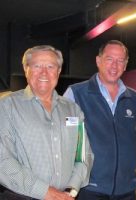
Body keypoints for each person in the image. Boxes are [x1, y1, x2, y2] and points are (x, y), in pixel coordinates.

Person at [0, 45, 93, 200]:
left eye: (50, 66)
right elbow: (2, 159)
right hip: (21, 196)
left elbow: (83, 154)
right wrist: (44, 191)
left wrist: (71, 189)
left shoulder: (73, 110)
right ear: (26, 69)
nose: (44, 72)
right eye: (37, 66)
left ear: (58, 71)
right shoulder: (7, 106)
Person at [63, 40, 136, 200]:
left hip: (126, 190)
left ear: (125, 65)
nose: (114, 65)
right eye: (109, 59)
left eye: (120, 61)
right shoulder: (76, 94)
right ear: (98, 61)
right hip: (89, 189)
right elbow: (64, 139)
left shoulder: (135, 99)